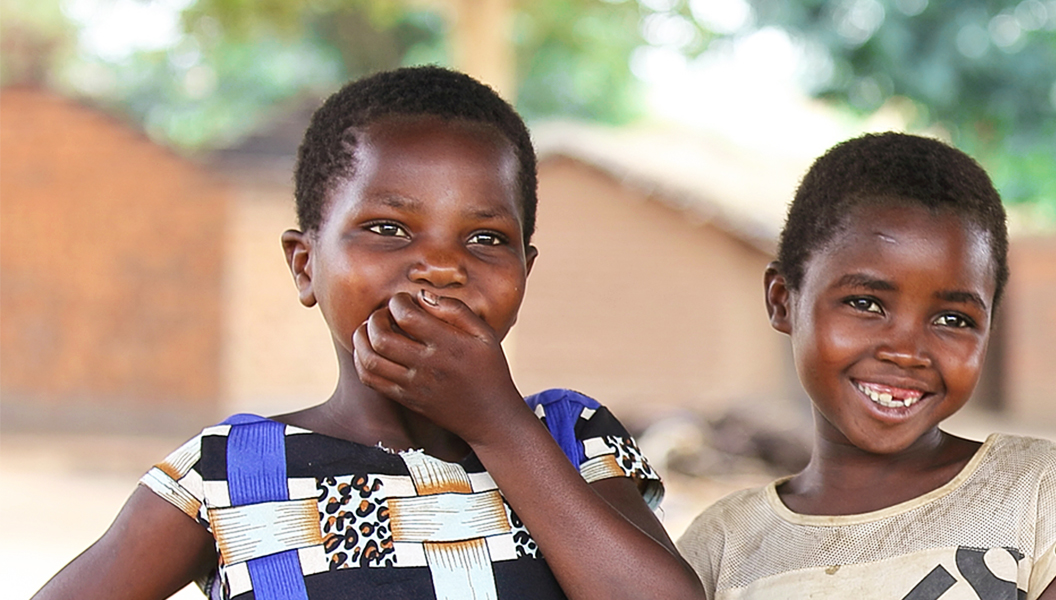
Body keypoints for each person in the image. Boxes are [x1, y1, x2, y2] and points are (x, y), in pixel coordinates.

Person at [34, 66, 702, 600]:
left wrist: (498, 425)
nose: (442, 265)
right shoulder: (229, 473)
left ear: (524, 272)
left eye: (484, 237)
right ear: (305, 265)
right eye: (388, 228)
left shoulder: (570, 437)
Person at [676, 132, 1056, 600]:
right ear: (782, 301)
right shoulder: (725, 545)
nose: (907, 351)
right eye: (866, 303)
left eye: (953, 319)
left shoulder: (1032, 495)